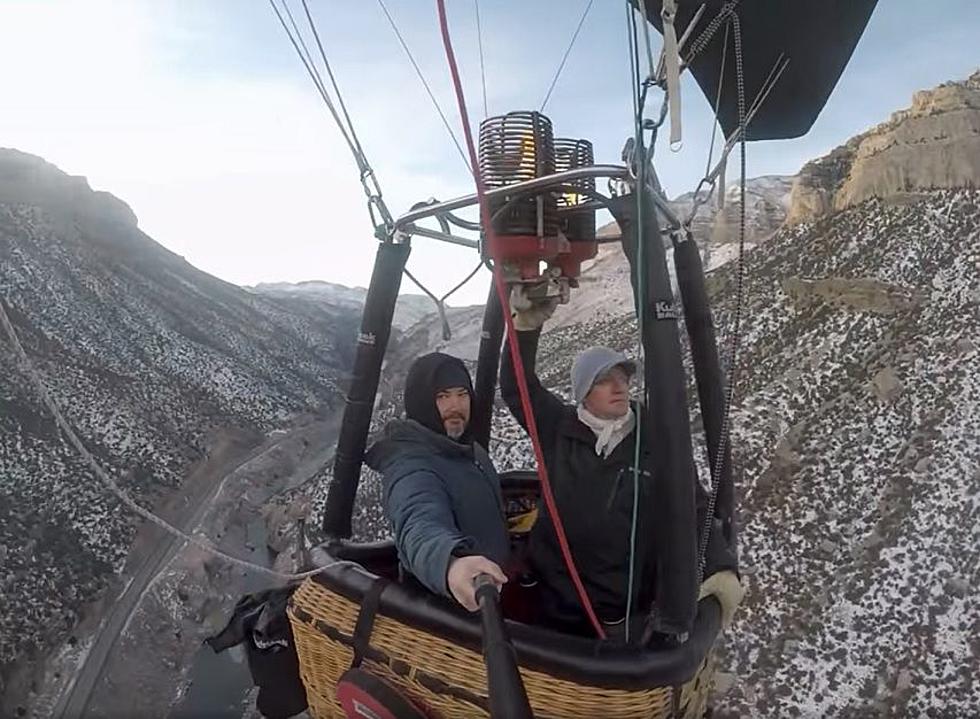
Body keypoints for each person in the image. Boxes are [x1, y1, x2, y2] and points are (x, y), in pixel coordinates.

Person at [500, 294, 743, 639]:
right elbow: (516, 387)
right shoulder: (559, 428)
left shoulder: (657, 442)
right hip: (550, 599)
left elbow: (694, 506)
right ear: (584, 392)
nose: (619, 386)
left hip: (615, 615)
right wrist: (524, 329)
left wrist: (720, 567)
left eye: (623, 378)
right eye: (604, 380)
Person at [365, 352, 509, 612]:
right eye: (442, 396)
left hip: (494, 592)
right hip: (457, 609)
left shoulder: (470, 450)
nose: (455, 405)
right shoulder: (410, 464)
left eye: (462, 394)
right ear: (422, 401)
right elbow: (418, 525)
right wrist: (450, 565)